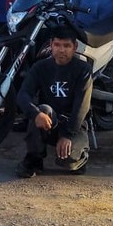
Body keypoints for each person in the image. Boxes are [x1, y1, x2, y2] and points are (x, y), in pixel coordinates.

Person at [15, 28, 93, 178]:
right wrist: (35, 113)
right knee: (42, 109)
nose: (61, 50)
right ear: (51, 45)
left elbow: (82, 107)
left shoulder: (83, 69)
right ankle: (34, 157)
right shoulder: (40, 67)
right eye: (57, 45)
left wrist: (68, 135)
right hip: (50, 120)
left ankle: (80, 156)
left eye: (66, 46)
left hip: (74, 123)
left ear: (75, 47)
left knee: (70, 163)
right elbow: (23, 95)